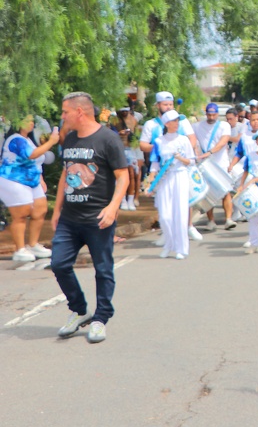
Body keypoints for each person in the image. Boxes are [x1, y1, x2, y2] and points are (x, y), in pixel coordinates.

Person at [51, 92, 130, 343]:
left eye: (65, 112)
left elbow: (123, 176)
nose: (62, 116)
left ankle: (101, 318)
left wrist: (113, 207)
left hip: (98, 219)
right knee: (59, 264)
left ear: (79, 112)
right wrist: (56, 210)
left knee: (103, 270)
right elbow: (66, 174)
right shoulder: (71, 138)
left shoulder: (108, 139)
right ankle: (78, 309)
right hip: (70, 219)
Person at [139, 91, 201, 242]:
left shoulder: (182, 121)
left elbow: (192, 139)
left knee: (184, 199)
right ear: (158, 105)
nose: (168, 107)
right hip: (161, 169)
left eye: (170, 104)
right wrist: (161, 147)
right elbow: (143, 145)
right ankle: (167, 233)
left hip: (181, 166)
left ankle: (189, 226)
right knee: (164, 202)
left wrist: (184, 153)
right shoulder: (151, 124)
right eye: (165, 104)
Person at [0, 114, 61, 262]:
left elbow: (36, 162)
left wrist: (40, 179)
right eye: (27, 120)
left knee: (40, 210)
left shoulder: (28, 140)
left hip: (32, 181)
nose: (31, 123)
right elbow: (31, 155)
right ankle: (20, 249)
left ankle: (33, 244)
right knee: (21, 214)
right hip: (13, 180)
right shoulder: (15, 139)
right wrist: (51, 142)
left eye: (32, 120)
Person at [150, 111, 195, 260]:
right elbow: (154, 163)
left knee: (180, 214)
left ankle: (181, 248)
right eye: (173, 121)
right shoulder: (158, 141)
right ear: (166, 123)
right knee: (165, 216)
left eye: (178, 121)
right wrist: (150, 181)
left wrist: (181, 158)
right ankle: (169, 244)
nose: (176, 124)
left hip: (180, 176)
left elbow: (191, 161)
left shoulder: (184, 140)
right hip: (165, 178)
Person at [194, 103, 236, 231]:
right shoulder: (197, 126)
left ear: (218, 114)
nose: (211, 117)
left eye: (214, 114)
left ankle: (228, 219)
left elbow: (223, 142)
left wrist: (210, 152)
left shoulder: (224, 125)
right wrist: (197, 153)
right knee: (208, 193)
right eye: (209, 114)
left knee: (226, 191)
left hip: (221, 162)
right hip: (205, 164)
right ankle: (210, 220)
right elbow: (192, 140)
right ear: (206, 114)